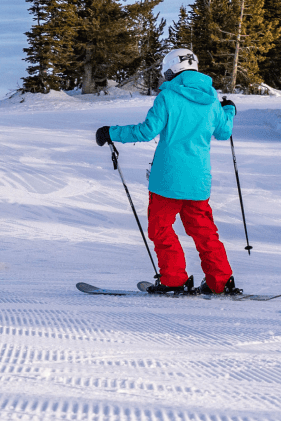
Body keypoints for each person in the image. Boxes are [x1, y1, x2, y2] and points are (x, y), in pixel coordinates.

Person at [95, 48, 239, 295]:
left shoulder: (168, 97)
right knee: (204, 232)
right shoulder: (212, 99)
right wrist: (229, 110)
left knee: (160, 229)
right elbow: (224, 132)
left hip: (168, 179)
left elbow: (145, 131)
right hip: (198, 181)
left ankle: (173, 279)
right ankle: (221, 281)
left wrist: (110, 132)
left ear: (172, 70)